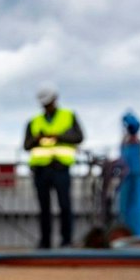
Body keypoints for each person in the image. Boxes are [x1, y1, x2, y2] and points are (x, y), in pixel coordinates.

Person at [24, 87, 84, 249]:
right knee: (44, 208)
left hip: (60, 168)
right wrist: (37, 138)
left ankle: (66, 241)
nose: (47, 107)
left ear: (55, 100)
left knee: (65, 205)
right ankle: (45, 242)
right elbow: (26, 145)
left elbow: (79, 137)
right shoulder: (34, 121)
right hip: (41, 170)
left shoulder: (68, 116)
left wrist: (58, 136)